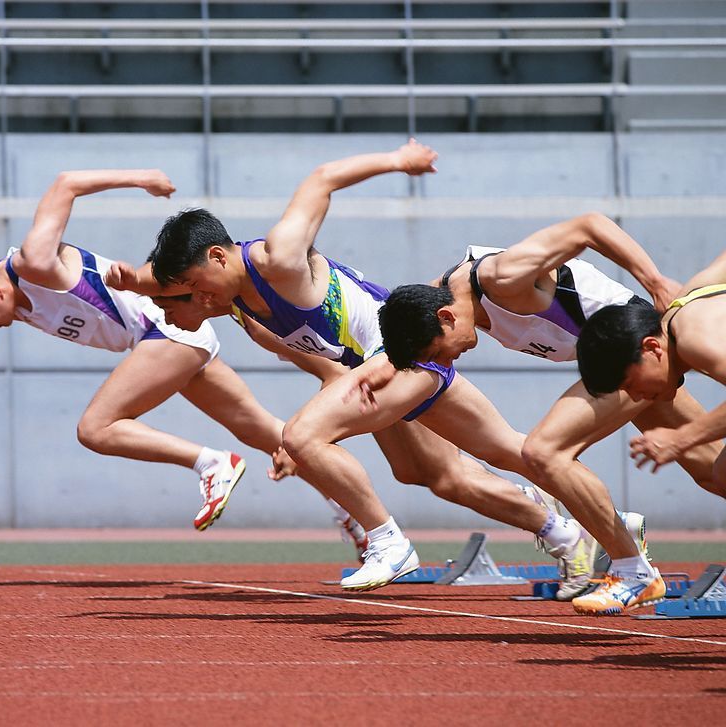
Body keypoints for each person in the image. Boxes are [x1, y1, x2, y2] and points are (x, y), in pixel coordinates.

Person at [118, 141, 610, 596]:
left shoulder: (279, 257)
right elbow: (326, 368)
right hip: (379, 370)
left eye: (191, 283)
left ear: (218, 256)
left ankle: (388, 544)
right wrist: (124, 279)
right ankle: (580, 534)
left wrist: (401, 159)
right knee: (448, 473)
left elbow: (323, 177)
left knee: (304, 435)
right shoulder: (242, 309)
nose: (192, 298)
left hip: (402, 353)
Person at [0, 168, 365, 548]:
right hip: (165, 343)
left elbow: (65, 183)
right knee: (272, 435)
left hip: (162, 328)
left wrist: (142, 178)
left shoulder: (34, 261)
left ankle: (210, 462)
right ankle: (354, 517)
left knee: (95, 428)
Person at [378, 213, 721, 615]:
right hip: (615, 366)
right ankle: (620, 536)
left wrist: (655, 280)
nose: (446, 361)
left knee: (544, 451)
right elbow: (398, 346)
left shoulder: (501, 277)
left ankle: (632, 570)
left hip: (632, 352)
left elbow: (588, 226)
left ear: (447, 319)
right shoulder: (440, 297)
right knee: (712, 469)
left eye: (438, 353)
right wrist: (370, 372)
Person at [577, 249, 726, 493]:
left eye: (628, 384)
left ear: (651, 347)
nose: (635, 397)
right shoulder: (688, 299)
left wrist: (681, 438)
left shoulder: (694, 339)